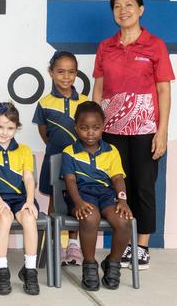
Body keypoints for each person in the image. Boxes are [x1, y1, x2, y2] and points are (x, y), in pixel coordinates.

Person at [92, 0, 174, 269]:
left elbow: (164, 91)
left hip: (145, 129)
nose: (123, 10)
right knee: (119, 188)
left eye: (129, 5)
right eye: (117, 6)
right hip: (111, 131)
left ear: (141, 10)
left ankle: (141, 247)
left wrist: (162, 131)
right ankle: (124, 244)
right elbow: (99, 89)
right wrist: (95, 127)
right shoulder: (105, 47)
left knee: (143, 188)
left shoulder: (155, 45)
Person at [61, 101, 133, 291]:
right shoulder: (69, 152)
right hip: (81, 195)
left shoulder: (111, 151)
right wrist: (77, 203)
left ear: (103, 126)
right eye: (84, 128)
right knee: (89, 217)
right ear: (75, 127)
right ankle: (90, 265)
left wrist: (123, 200)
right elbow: (70, 182)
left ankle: (113, 264)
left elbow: (117, 178)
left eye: (95, 128)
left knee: (123, 220)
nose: (90, 133)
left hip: (106, 196)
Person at [32, 51, 88, 266]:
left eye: (71, 72)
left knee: (78, 199)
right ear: (51, 73)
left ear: (77, 73)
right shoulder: (44, 103)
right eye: (61, 72)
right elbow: (44, 132)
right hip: (55, 159)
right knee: (56, 200)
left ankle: (73, 245)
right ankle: (55, 244)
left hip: (79, 163)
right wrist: (58, 152)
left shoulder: (84, 102)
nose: (66, 77)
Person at [0, 102, 39, 295]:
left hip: (21, 198)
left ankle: (30, 270)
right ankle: (2, 270)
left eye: (10, 128)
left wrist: (30, 201)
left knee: (29, 217)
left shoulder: (24, 150)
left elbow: (28, 178)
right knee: (4, 217)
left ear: (17, 128)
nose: (5, 132)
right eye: (0, 126)